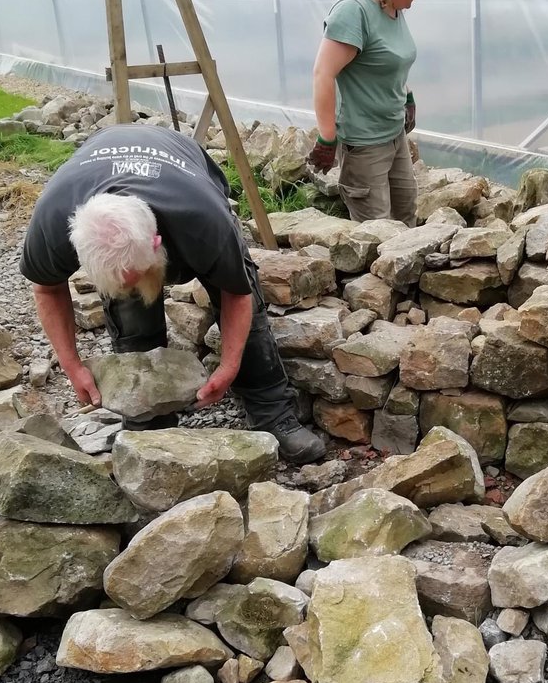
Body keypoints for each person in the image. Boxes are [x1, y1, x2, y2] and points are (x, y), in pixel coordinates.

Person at [20, 123, 326, 463]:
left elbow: (237, 295)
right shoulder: (53, 219)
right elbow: (47, 290)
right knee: (129, 305)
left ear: (156, 244)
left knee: (238, 285)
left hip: (183, 177)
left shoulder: (205, 221)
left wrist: (228, 366)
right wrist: (72, 365)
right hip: (104, 173)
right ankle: (148, 414)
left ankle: (272, 411)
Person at [308, 0, 437, 226]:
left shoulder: (392, 5)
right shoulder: (354, 10)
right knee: (378, 233)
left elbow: (385, 59)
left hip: (394, 135)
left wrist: (406, 95)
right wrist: (327, 138)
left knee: (406, 216)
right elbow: (323, 73)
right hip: (364, 145)